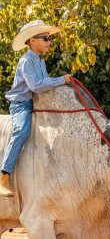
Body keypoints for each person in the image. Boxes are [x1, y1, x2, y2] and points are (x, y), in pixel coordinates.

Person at [0, 20, 71, 197]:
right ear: (32, 41)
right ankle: (4, 175)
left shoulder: (40, 62)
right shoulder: (26, 61)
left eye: (49, 38)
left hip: (36, 103)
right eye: (45, 38)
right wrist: (62, 80)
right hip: (21, 104)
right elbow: (37, 86)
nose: (49, 42)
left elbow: (45, 86)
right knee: (22, 130)